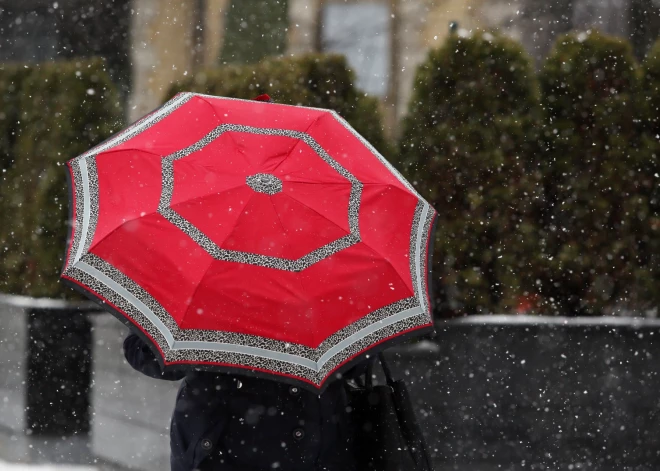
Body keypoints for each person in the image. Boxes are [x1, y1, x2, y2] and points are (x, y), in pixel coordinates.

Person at [123, 333, 367, 471]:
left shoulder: (330, 270)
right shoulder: (205, 267)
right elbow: (146, 354)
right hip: (217, 450)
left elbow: (360, 362)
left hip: (312, 448)